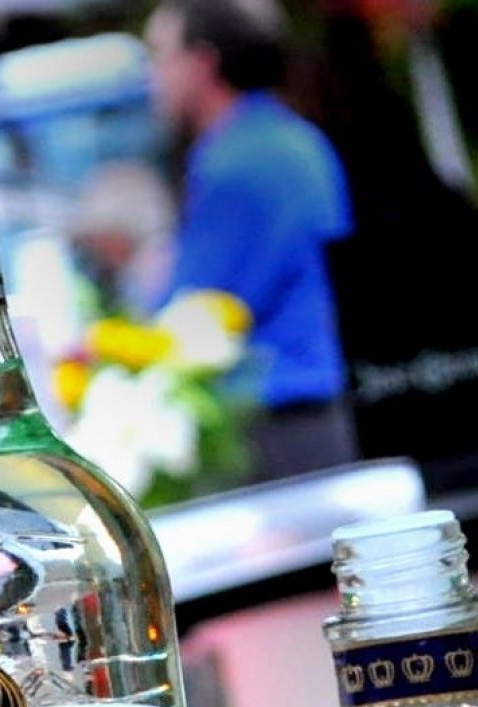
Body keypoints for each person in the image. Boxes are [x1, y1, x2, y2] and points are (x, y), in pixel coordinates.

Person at [145, 0, 354, 481]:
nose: (153, 76)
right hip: (330, 407)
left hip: (280, 422)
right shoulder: (299, 137)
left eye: (160, 55)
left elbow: (193, 313)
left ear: (203, 63)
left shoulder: (232, 162)